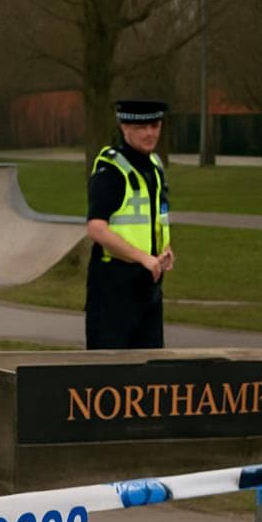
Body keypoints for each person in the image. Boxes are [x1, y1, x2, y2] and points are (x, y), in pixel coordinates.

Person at [85, 98, 175, 349]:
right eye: (141, 127)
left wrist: (165, 249)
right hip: (114, 286)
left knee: (149, 368)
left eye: (155, 126)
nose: (150, 133)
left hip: (149, 285)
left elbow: (157, 215)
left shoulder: (155, 165)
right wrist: (142, 257)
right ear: (125, 128)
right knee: (111, 372)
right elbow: (96, 228)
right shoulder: (111, 170)